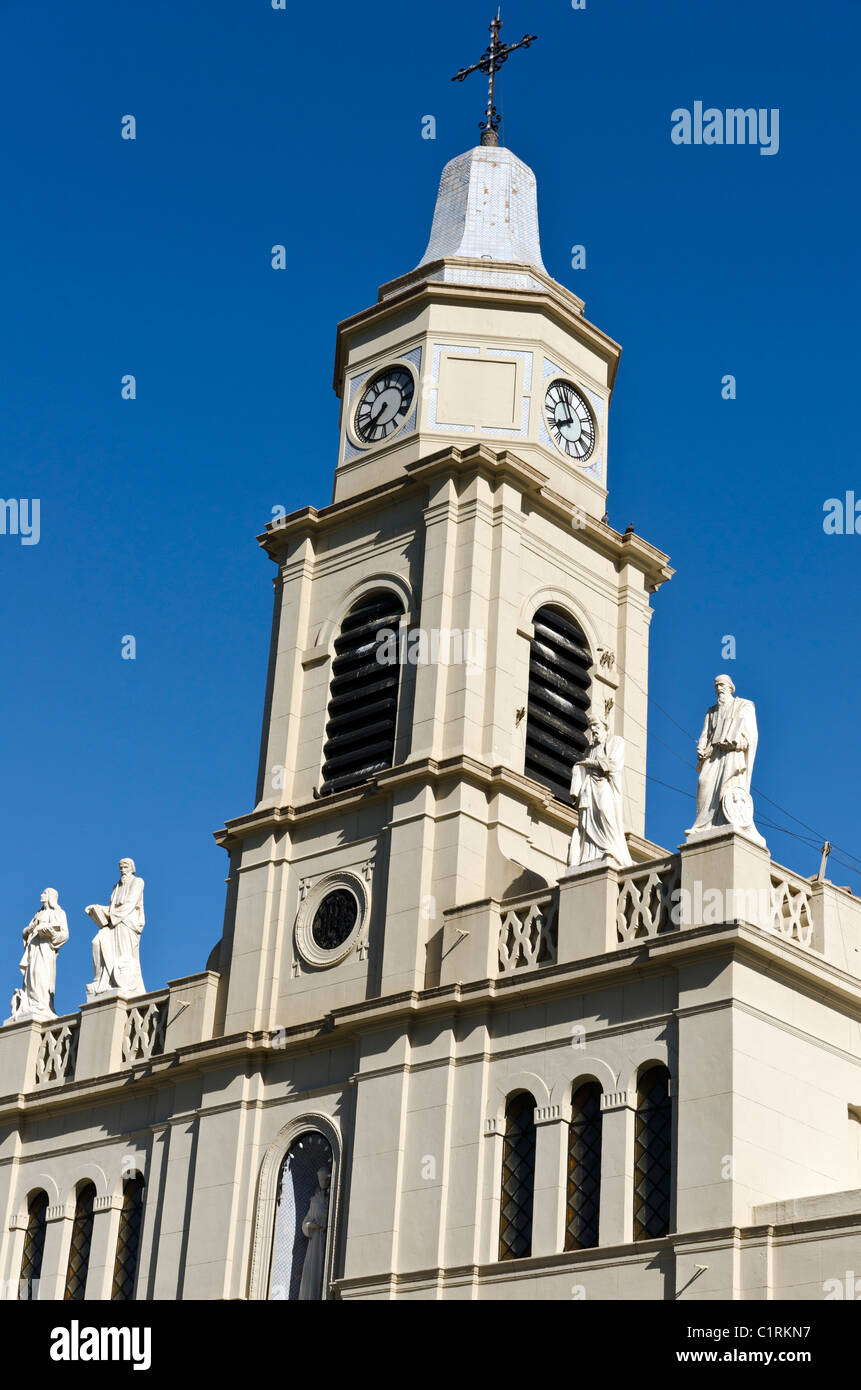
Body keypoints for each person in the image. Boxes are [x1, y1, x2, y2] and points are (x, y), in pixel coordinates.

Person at [688, 674, 758, 835]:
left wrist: (740, 742)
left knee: (726, 787)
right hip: (713, 754)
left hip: (732, 754)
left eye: (722, 685)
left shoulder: (743, 705)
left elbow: (750, 735)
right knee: (703, 781)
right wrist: (700, 747)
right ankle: (701, 825)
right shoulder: (711, 712)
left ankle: (726, 819)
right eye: (716, 686)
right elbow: (705, 733)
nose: (719, 689)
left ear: (730, 687)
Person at [568, 716, 632, 868]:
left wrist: (592, 763)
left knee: (604, 812)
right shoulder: (589, 750)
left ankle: (610, 849)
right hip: (588, 789)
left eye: (596, 725)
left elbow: (614, 764)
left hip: (604, 786)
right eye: (591, 727)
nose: (593, 730)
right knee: (587, 820)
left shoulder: (616, 742)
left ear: (605, 726)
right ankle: (589, 855)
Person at [85, 858, 145, 996]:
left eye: (125, 867)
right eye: (121, 868)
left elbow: (129, 904)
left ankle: (124, 983)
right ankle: (102, 981)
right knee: (97, 942)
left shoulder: (138, 882)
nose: (123, 870)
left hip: (127, 923)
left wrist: (111, 915)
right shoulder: (116, 887)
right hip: (115, 922)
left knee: (124, 956)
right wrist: (97, 909)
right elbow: (112, 907)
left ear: (131, 868)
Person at [11, 888, 69, 1020]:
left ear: (51, 897)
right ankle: (30, 1005)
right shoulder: (38, 913)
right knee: (31, 975)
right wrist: (31, 929)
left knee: (41, 975)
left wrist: (53, 934)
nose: (41, 895)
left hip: (46, 948)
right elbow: (25, 932)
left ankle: (41, 1005)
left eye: (44, 893)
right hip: (33, 948)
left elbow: (65, 934)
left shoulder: (59, 913)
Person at [298, 1168, 331, 1300]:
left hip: (327, 1239)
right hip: (315, 1241)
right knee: (313, 1270)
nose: (323, 1182)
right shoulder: (314, 1200)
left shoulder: (332, 1198)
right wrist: (312, 1226)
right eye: (321, 1179)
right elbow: (305, 1223)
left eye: (325, 1179)